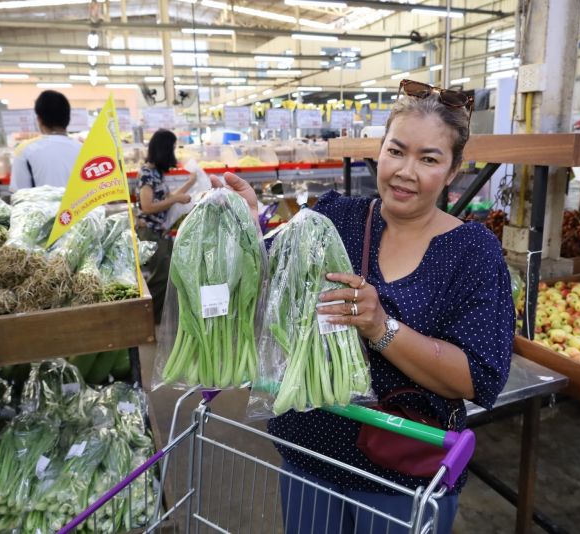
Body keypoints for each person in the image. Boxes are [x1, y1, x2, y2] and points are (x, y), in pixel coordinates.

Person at [213, 79, 514, 534]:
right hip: (310, 454)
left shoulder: (472, 252)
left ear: (453, 171)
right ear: (381, 150)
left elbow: (476, 377)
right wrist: (246, 223)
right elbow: (268, 290)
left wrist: (381, 327)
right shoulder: (334, 218)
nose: (405, 171)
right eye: (396, 151)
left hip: (400, 476)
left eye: (429, 159)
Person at [137, 129, 196, 323]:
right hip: (151, 234)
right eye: (171, 147)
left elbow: (167, 198)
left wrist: (189, 184)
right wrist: (177, 199)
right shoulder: (146, 174)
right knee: (159, 277)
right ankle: (149, 322)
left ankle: (158, 319)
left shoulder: (155, 173)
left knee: (165, 274)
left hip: (159, 233)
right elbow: (146, 207)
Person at [10, 90, 82, 192]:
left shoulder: (25, 150)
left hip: (40, 207)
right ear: (68, 118)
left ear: (39, 120)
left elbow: (18, 194)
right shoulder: (84, 149)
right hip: (81, 208)